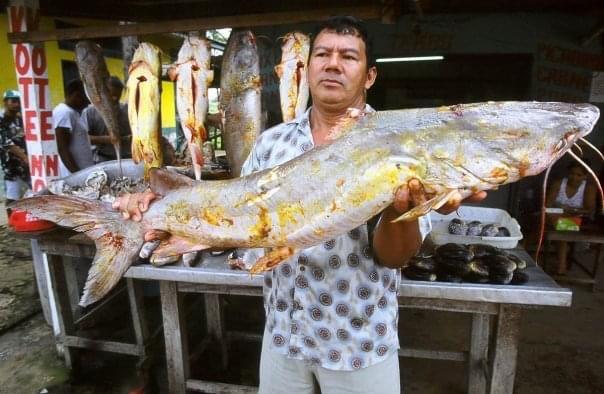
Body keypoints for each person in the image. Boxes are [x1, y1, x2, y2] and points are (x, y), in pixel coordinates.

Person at [114, 16, 486, 393]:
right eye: (322, 54)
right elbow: (234, 219)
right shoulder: (271, 144)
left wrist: (398, 210)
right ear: (308, 70)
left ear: (370, 76)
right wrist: (168, 210)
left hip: (357, 346)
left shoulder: (399, 144)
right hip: (282, 339)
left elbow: (394, 257)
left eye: (348, 56)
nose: (333, 64)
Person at [546, 161, 597, 275]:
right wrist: (562, 210)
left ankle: (561, 266)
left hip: (577, 221)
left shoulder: (588, 188)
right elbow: (547, 205)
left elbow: (590, 211)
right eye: (572, 173)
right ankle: (562, 266)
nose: (574, 177)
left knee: (562, 229)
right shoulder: (559, 184)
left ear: (585, 176)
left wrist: (573, 211)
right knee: (558, 225)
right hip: (556, 218)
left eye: (579, 175)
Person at [81, 76, 132, 163]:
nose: (115, 99)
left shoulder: (127, 110)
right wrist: (107, 139)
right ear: (102, 93)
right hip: (102, 159)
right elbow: (83, 138)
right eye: (112, 95)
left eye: (118, 96)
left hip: (126, 158)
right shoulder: (90, 112)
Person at [52, 79, 94, 176]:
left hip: (84, 171)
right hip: (73, 173)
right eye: (86, 99)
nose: (88, 103)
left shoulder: (74, 112)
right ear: (77, 95)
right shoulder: (64, 113)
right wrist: (76, 175)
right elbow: (62, 148)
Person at [0, 89, 30, 205]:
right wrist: (25, 157)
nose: (17, 104)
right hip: (9, 166)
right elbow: (6, 143)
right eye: (13, 101)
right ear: (5, 102)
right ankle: (12, 221)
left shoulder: (20, 119)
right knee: (12, 196)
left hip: (24, 165)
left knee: (29, 195)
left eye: (19, 101)